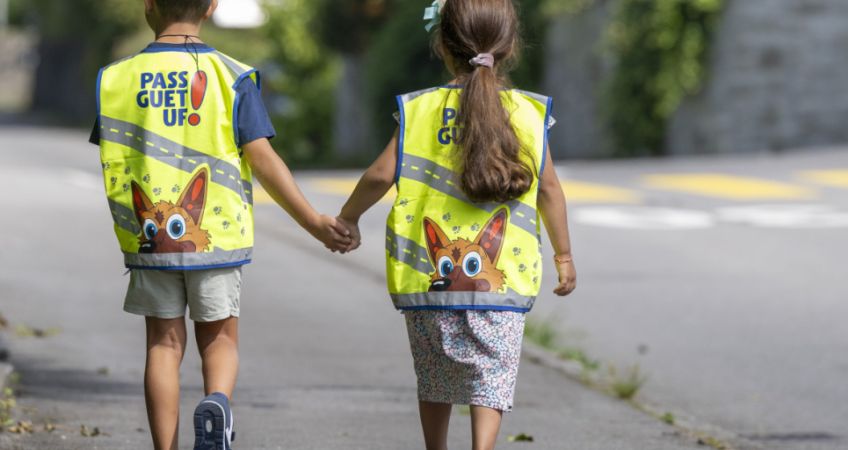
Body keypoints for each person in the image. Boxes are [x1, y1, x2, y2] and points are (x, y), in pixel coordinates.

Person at [90, 1, 352, 448]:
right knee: (219, 339)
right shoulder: (233, 75)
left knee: (163, 345)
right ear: (211, 7)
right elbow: (264, 160)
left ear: (148, 4)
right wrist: (314, 221)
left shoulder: (116, 78)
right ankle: (217, 403)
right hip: (216, 236)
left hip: (151, 240)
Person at [336, 0, 577, 448]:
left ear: (443, 44)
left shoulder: (420, 110)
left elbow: (380, 175)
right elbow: (549, 190)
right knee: (492, 376)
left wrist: (348, 218)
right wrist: (563, 255)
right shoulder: (527, 112)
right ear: (509, 46)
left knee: (434, 375)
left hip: (431, 279)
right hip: (501, 281)